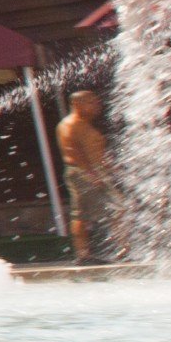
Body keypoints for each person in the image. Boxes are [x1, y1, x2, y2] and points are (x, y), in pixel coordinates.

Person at [56, 89, 113, 263]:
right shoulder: (70, 124)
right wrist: (90, 173)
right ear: (77, 104)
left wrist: (107, 167)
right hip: (82, 173)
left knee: (116, 210)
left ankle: (122, 250)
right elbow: (73, 152)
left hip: (94, 172)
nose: (97, 106)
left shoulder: (83, 123)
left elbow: (94, 150)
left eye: (96, 102)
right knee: (81, 214)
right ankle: (83, 255)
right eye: (91, 102)